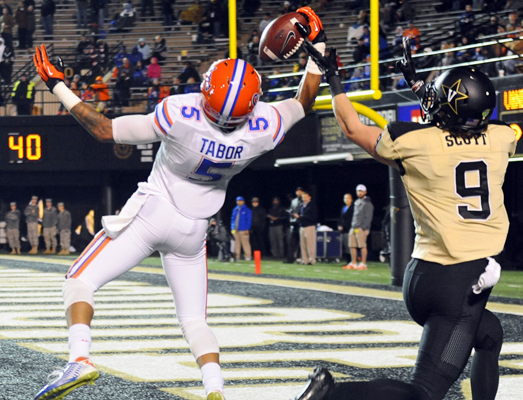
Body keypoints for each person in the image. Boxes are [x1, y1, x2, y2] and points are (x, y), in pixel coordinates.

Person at [31, 6, 323, 400]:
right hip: (194, 230)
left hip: (154, 211)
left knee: (79, 280)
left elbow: (104, 130)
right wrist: (317, 48)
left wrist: (57, 84)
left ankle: (79, 359)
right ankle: (214, 389)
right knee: (192, 319)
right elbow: (303, 101)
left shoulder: (179, 113)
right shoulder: (264, 128)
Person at [296, 36, 515, 400]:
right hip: (459, 282)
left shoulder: (415, 142)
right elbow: (454, 124)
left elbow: (352, 128)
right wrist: (425, 91)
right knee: (424, 394)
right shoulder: (503, 137)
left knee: (490, 337)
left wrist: (334, 77)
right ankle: (330, 395)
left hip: (424, 276)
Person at [344, 184, 373, 270]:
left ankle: (363, 264)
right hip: (354, 226)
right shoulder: (356, 202)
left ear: (365, 192)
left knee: (362, 246)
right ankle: (353, 263)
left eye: (361, 191)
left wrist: (366, 228)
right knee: (352, 246)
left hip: (361, 227)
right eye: (358, 191)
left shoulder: (367, 203)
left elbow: (368, 216)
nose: (360, 193)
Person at [296, 191, 318, 265]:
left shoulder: (312, 206)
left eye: (306, 197)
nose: (304, 198)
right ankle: (304, 260)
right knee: (303, 244)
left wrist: (301, 217)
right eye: (303, 197)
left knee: (310, 244)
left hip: (310, 226)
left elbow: (313, 217)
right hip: (302, 226)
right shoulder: (302, 205)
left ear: (309, 197)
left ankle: (311, 260)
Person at [285, 187, 304, 263]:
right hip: (294, 224)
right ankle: (290, 259)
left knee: (302, 243)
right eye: (297, 191)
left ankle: (300, 258)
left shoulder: (305, 200)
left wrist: (299, 216)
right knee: (292, 242)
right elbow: (291, 211)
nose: (298, 192)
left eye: (300, 191)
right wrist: (292, 216)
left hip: (301, 223)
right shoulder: (294, 201)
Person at [231, 196, 252, 261]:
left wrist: (247, 229)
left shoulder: (247, 210)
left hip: (243, 230)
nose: (239, 202)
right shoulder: (235, 209)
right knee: (236, 244)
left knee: (245, 243)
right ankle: (237, 256)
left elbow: (248, 220)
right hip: (235, 230)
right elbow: (232, 220)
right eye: (238, 201)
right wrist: (232, 228)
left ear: (243, 201)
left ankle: (248, 256)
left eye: (240, 201)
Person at [337, 193, 353, 263]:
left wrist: (344, 226)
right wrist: (339, 225)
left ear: (351, 199)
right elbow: (341, 218)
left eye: (348, 198)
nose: (346, 200)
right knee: (345, 246)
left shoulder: (353, 208)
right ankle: (347, 260)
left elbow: (351, 219)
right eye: (345, 198)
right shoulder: (343, 207)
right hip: (343, 230)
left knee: (349, 245)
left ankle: (351, 260)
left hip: (349, 229)